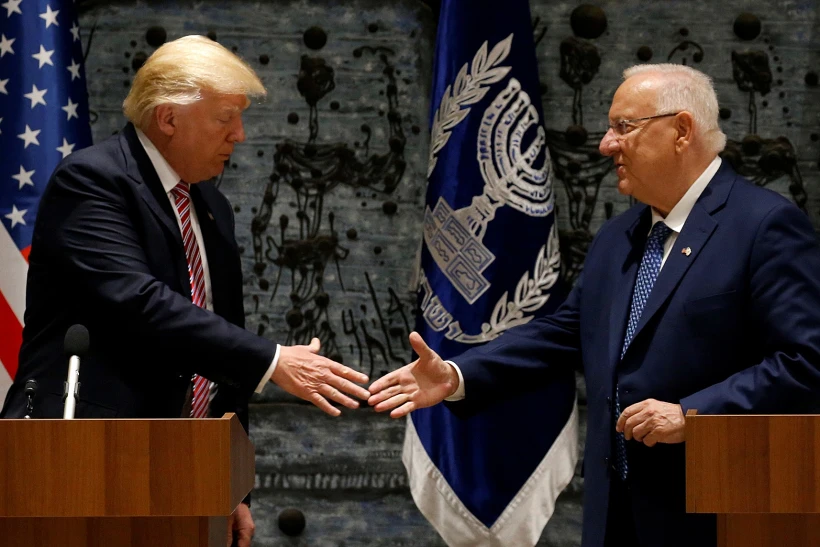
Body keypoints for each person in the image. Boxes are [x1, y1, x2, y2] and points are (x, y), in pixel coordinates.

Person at [368, 63, 820, 547]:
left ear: (682, 130)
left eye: (624, 127)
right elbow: (561, 334)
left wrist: (693, 415)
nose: (606, 144)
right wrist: (458, 375)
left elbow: (805, 361)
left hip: (718, 512)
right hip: (615, 514)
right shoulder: (617, 237)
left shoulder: (765, 225)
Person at [1, 35, 370, 547]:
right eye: (225, 118)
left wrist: (234, 487)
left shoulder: (212, 209)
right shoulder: (93, 180)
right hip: (85, 464)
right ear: (169, 118)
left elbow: (222, 351)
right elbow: (138, 301)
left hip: (184, 476)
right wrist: (272, 360)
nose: (240, 135)